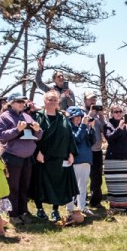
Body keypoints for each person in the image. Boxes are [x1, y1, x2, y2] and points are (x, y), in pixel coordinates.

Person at [30, 90, 78, 222]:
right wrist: (37, 152)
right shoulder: (37, 116)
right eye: (49, 99)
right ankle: (39, 209)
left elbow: (69, 135)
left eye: (55, 100)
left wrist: (71, 153)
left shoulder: (62, 117)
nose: (52, 102)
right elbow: (31, 136)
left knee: (59, 184)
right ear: (44, 101)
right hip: (42, 156)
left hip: (60, 156)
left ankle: (55, 210)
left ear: (58, 102)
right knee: (40, 184)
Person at [0, 93, 42, 225]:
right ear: (11, 103)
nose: (22, 104)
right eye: (18, 101)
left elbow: (39, 137)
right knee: (13, 187)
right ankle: (13, 214)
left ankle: (23, 212)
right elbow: (1, 135)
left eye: (23, 101)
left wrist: (38, 130)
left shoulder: (27, 116)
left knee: (24, 187)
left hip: (27, 158)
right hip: (12, 157)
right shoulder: (4, 117)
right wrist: (16, 130)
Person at [103, 103, 127, 212]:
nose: (118, 113)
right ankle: (114, 205)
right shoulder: (108, 125)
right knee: (114, 184)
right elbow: (109, 138)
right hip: (113, 159)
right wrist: (119, 128)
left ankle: (125, 206)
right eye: (115, 112)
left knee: (125, 184)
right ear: (112, 113)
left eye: (120, 111)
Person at [66, 106, 95, 219]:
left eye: (80, 116)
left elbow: (93, 141)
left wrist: (91, 128)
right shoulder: (69, 128)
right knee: (72, 186)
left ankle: (82, 207)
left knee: (83, 186)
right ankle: (70, 209)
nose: (78, 119)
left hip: (86, 160)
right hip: (75, 161)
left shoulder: (84, 127)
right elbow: (76, 139)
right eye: (76, 117)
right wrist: (83, 125)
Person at [83, 92, 106, 209]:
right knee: (83, 177)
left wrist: (101, 117)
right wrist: (89, 115)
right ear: (85, 100)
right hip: (85, 150)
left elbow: (105, 130)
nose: (93, 101)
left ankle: (95, 201)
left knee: (96, 177)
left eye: (94, 99)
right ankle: (81, 201)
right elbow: (82, 129)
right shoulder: (81, 113)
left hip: (97, 149)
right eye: (90, 99)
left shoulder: (98, 115)